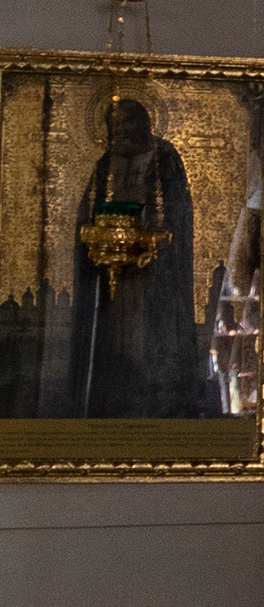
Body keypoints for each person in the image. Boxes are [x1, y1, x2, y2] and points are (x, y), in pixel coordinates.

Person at [70, 93, 204, 420]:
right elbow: (86, 216)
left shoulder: (164, 158)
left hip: (152, 271)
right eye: (114, 124)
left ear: (144, 122)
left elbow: (176, 216)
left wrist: (152, 239)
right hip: (109, 272)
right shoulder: (105, 163)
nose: (122, 130)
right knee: (113, 342)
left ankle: (160, 405)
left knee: (151, 338)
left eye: (128, 121)